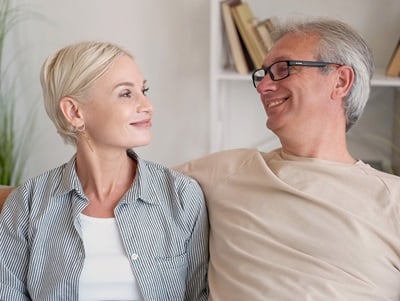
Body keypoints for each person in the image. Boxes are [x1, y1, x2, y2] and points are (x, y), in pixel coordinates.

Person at [176, 18, 400, 300]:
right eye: (263, 74)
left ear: (340, 81)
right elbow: (123, 184)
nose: (263, 87)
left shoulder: (393, 199)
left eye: (283, 69)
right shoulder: (224, 171)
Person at [0, 41, 209, 301]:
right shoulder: (28, 203)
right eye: (126, 93)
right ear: (74, 112)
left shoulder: (182, 196)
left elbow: (199, 295)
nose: (147, 105)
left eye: (143, 90)